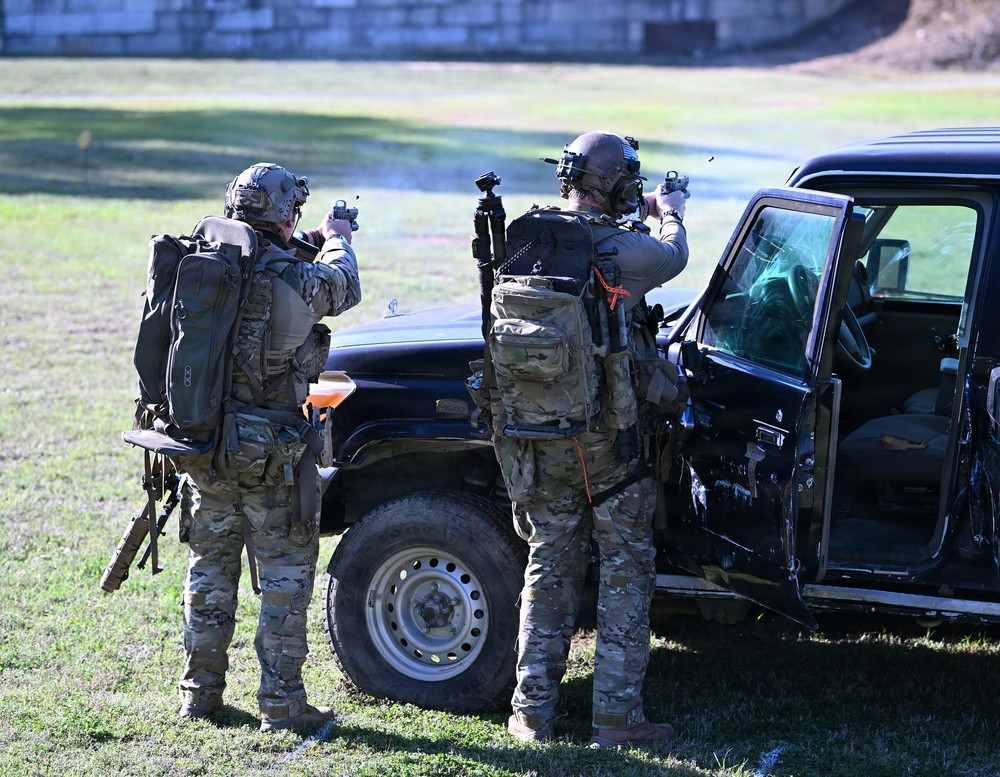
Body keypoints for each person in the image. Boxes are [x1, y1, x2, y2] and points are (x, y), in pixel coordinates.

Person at [498, 132, 689, 748]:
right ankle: (615, 719)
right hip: (607, 444)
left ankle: (532, 717)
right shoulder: (617, 246)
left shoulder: (528, 239)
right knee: (626, 570)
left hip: (538, 436)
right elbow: (674, 257)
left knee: (548, 566)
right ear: (616, 183)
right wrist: (672, 212)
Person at [176, 163, 362, 732]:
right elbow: (342, 287)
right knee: (284, 580)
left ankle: (198, 695)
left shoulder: (208, 264)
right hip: (268, 454)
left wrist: (299, 245)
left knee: (209, 571)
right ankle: (282, 705)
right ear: (285, 213)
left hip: (203, 443)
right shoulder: (293, 274)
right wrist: (337, 240)